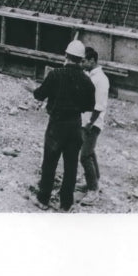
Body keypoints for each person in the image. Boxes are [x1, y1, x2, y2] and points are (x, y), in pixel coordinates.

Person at [31, 39, 95, 211]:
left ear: (66, 56)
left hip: (56, 125)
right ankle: (65, 205)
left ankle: (43, 199)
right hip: (75, 126)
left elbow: (39, 95)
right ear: (81, 60)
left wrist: (34, 90)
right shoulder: (87, 81)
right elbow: (89, 106)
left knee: (49, 163)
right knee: (71, 167)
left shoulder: (55, 75)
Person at [78, 47, 110, 205]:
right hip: (86, 121)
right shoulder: (89, 75)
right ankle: (95, 181)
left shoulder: (101, 80)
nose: (81, 63)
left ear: (92, 60)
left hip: (93, 123)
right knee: (90, 153)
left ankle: (93, 191)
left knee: (84, 156)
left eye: (83, 60)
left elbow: (99, 106)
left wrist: (90, 123)